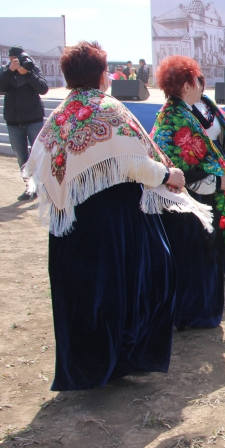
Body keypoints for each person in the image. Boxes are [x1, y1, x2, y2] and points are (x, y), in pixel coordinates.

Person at [23, 41, 212, 391]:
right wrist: (167, 176)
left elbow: (41, 163)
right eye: (106, 69)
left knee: (83, 295)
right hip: (110, 220)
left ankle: (90, 367)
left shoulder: (62, 113)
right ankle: (124, 357)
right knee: (138, 283)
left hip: (69, 222)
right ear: (98, 73)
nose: (110, 75)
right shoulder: (105, 108)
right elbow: (134, 162)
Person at [151, 56, 225, 327]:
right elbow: (178, 169)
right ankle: (192, 315)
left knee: (199, 257)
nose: (201, 85)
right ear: (187, 85)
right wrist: (216, 183)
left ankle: (193, 313)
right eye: (196, 80)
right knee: (194, 259)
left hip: (193, 200)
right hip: (188, 204)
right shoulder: (176, 118)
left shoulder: (182, 112)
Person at [0, 45, 49, 201]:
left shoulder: (32, 68)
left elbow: (43, 89)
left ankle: (42, 186)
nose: (19, 62)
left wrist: (28, 74)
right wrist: (10, 70)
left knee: (38, 155)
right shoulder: (6, 70)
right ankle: (30, 188)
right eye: (14, 59)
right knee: (21, 157)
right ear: (10, 59)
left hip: (34, 120)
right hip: (13, 122)